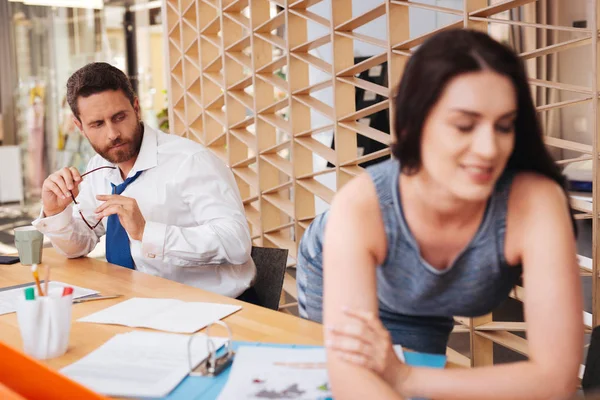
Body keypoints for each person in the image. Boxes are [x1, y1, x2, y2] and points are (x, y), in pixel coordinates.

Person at [296, 29, 583, 399]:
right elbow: (352, 378)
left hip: (421, 299)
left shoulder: (536, 204)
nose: (488, 149)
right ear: (414, 123)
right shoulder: (361, 205)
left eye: (504, 126)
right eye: (464, 125)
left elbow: (555, 380)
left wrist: (406, 378)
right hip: (338, 264)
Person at [33, 62, 257, 299]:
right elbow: (78, 246)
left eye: (119, 117)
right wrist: (56, 212)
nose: (112, 134)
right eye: (97, 124)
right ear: (80, 127)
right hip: (136, 300)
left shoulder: (190, 161)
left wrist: (146, 232)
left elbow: (236, 243)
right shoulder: (98, 168)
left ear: (136, 108)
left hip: (213, 306)